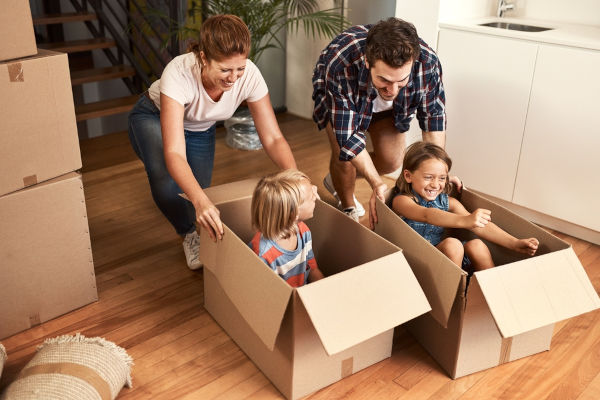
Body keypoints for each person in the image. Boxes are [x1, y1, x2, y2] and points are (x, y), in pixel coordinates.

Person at [128, 14, 297, 270]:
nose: (234, 77)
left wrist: (296, 178)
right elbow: (174, 152)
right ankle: (188, 234)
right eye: (225, 69)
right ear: (204, 58)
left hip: (200, 128)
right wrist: (200, 203)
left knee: (198, 189)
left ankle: (188, 211)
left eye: (240, 68)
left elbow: (273, 138)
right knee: (166, 177)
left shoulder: (249, 75)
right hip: (151, 116)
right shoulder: (179, 71)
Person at [312, 17, 459, 228]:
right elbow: (349, 137)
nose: (392, 91)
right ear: (367, 62)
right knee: (344, 158)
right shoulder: (341, 64)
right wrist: (377, 183)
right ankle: (347, 206)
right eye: (385, 80)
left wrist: (439, 171)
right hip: (345, 100)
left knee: (392, 161)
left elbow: (433, 119)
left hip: (390, 111)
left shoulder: (427, 63)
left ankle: (336, 178)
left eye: (401, 81)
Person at [391, 141, 539, 271]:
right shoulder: (402, 201)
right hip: (422, 263)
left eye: (442, 178)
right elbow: (427, 215)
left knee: (477, 245)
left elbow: (480, 225)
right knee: (452, 244)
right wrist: (465, 220)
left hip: (448, 260)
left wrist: (514, 243)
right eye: (428, 177)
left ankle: (489, 291)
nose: (436, 184)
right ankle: (456, 296)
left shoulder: (447, 202)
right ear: (408, 176)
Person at [248, 170, 325, 287]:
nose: (315, 193)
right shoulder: (264, 255)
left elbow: (312, 269)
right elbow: (268, 296)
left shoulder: (303, 231)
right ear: (294, 214)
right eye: (311, 198)